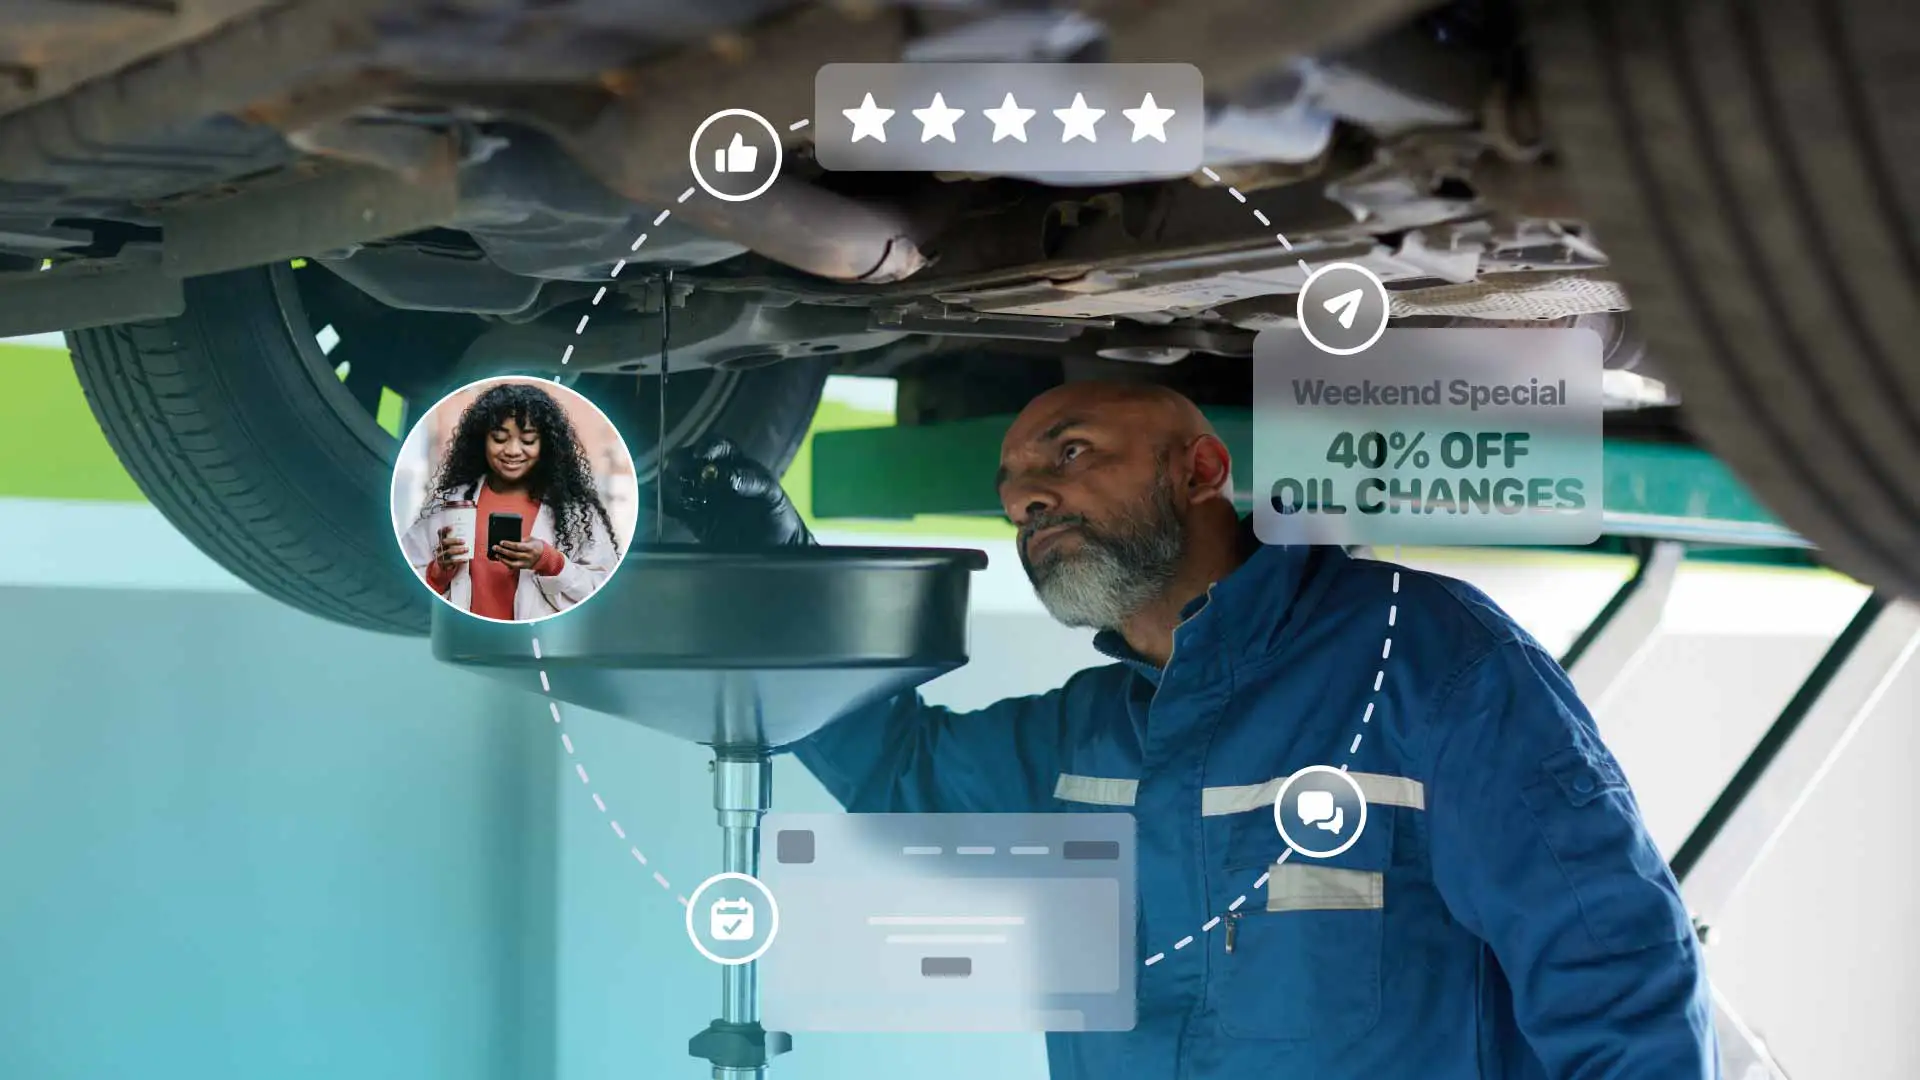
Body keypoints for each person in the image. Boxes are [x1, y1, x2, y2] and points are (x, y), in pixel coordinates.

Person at [661, 380, 1719, 1080]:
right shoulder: (1084, 745)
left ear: (1201, 472)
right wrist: (779, 560)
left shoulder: (1421, 662)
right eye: (1014, 494)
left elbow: (1611, 963)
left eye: (1069, 454)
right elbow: (895, 769)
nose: (1031, 500)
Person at [400, 381, 622, 621]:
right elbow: (402, 581)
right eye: (499, 438)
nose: (513, 450)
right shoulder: (448, 505)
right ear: (481, 441)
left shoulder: (576, 513)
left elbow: (604, 592)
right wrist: (438, 572)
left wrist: (551, 562)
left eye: (528, 440)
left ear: (546, 444)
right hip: (468, 636)